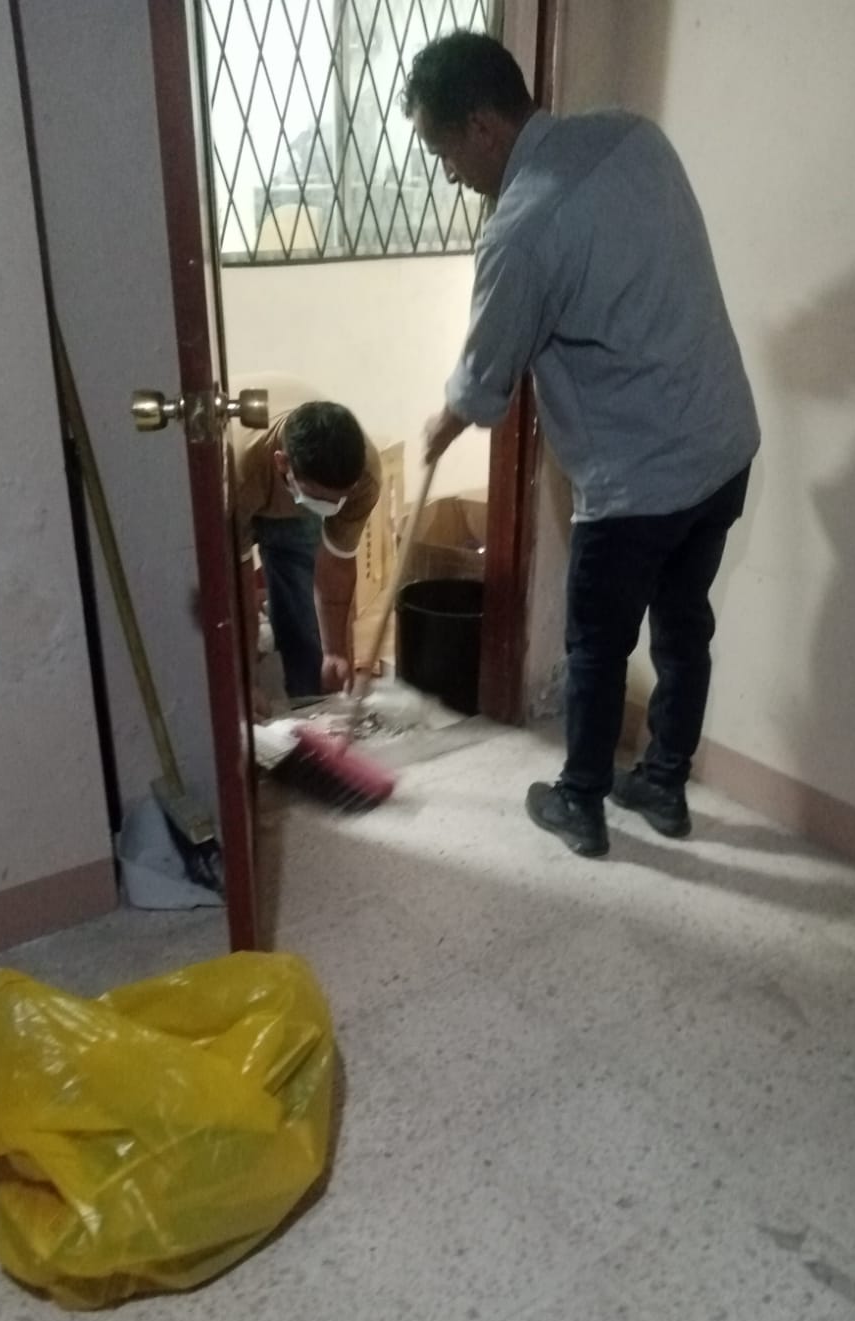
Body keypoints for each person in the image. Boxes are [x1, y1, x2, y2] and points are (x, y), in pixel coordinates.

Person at [401, 32, 760, 858]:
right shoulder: (634, 137)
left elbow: (483, 385)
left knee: (597, 643)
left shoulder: (521, 231)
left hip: (637, 482)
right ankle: (664, 783)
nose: (448, 173)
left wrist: (440, 424)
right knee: (684, 625)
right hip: (721, 444)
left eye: (444, 151)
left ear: (483, 126)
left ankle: (580, 800)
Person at [229, 373, 382, 705]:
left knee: (308, 633)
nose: (329, 507)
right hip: (240, 488)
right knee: (218, 620)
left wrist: (335, 652)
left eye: (337, 499)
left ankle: (309, 704)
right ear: (282, 463)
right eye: (319, 498)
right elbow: (236, 586)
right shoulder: (237, 472)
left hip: (290, 504)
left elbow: (337, 566)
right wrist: (245, 681)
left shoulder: (364, 477)